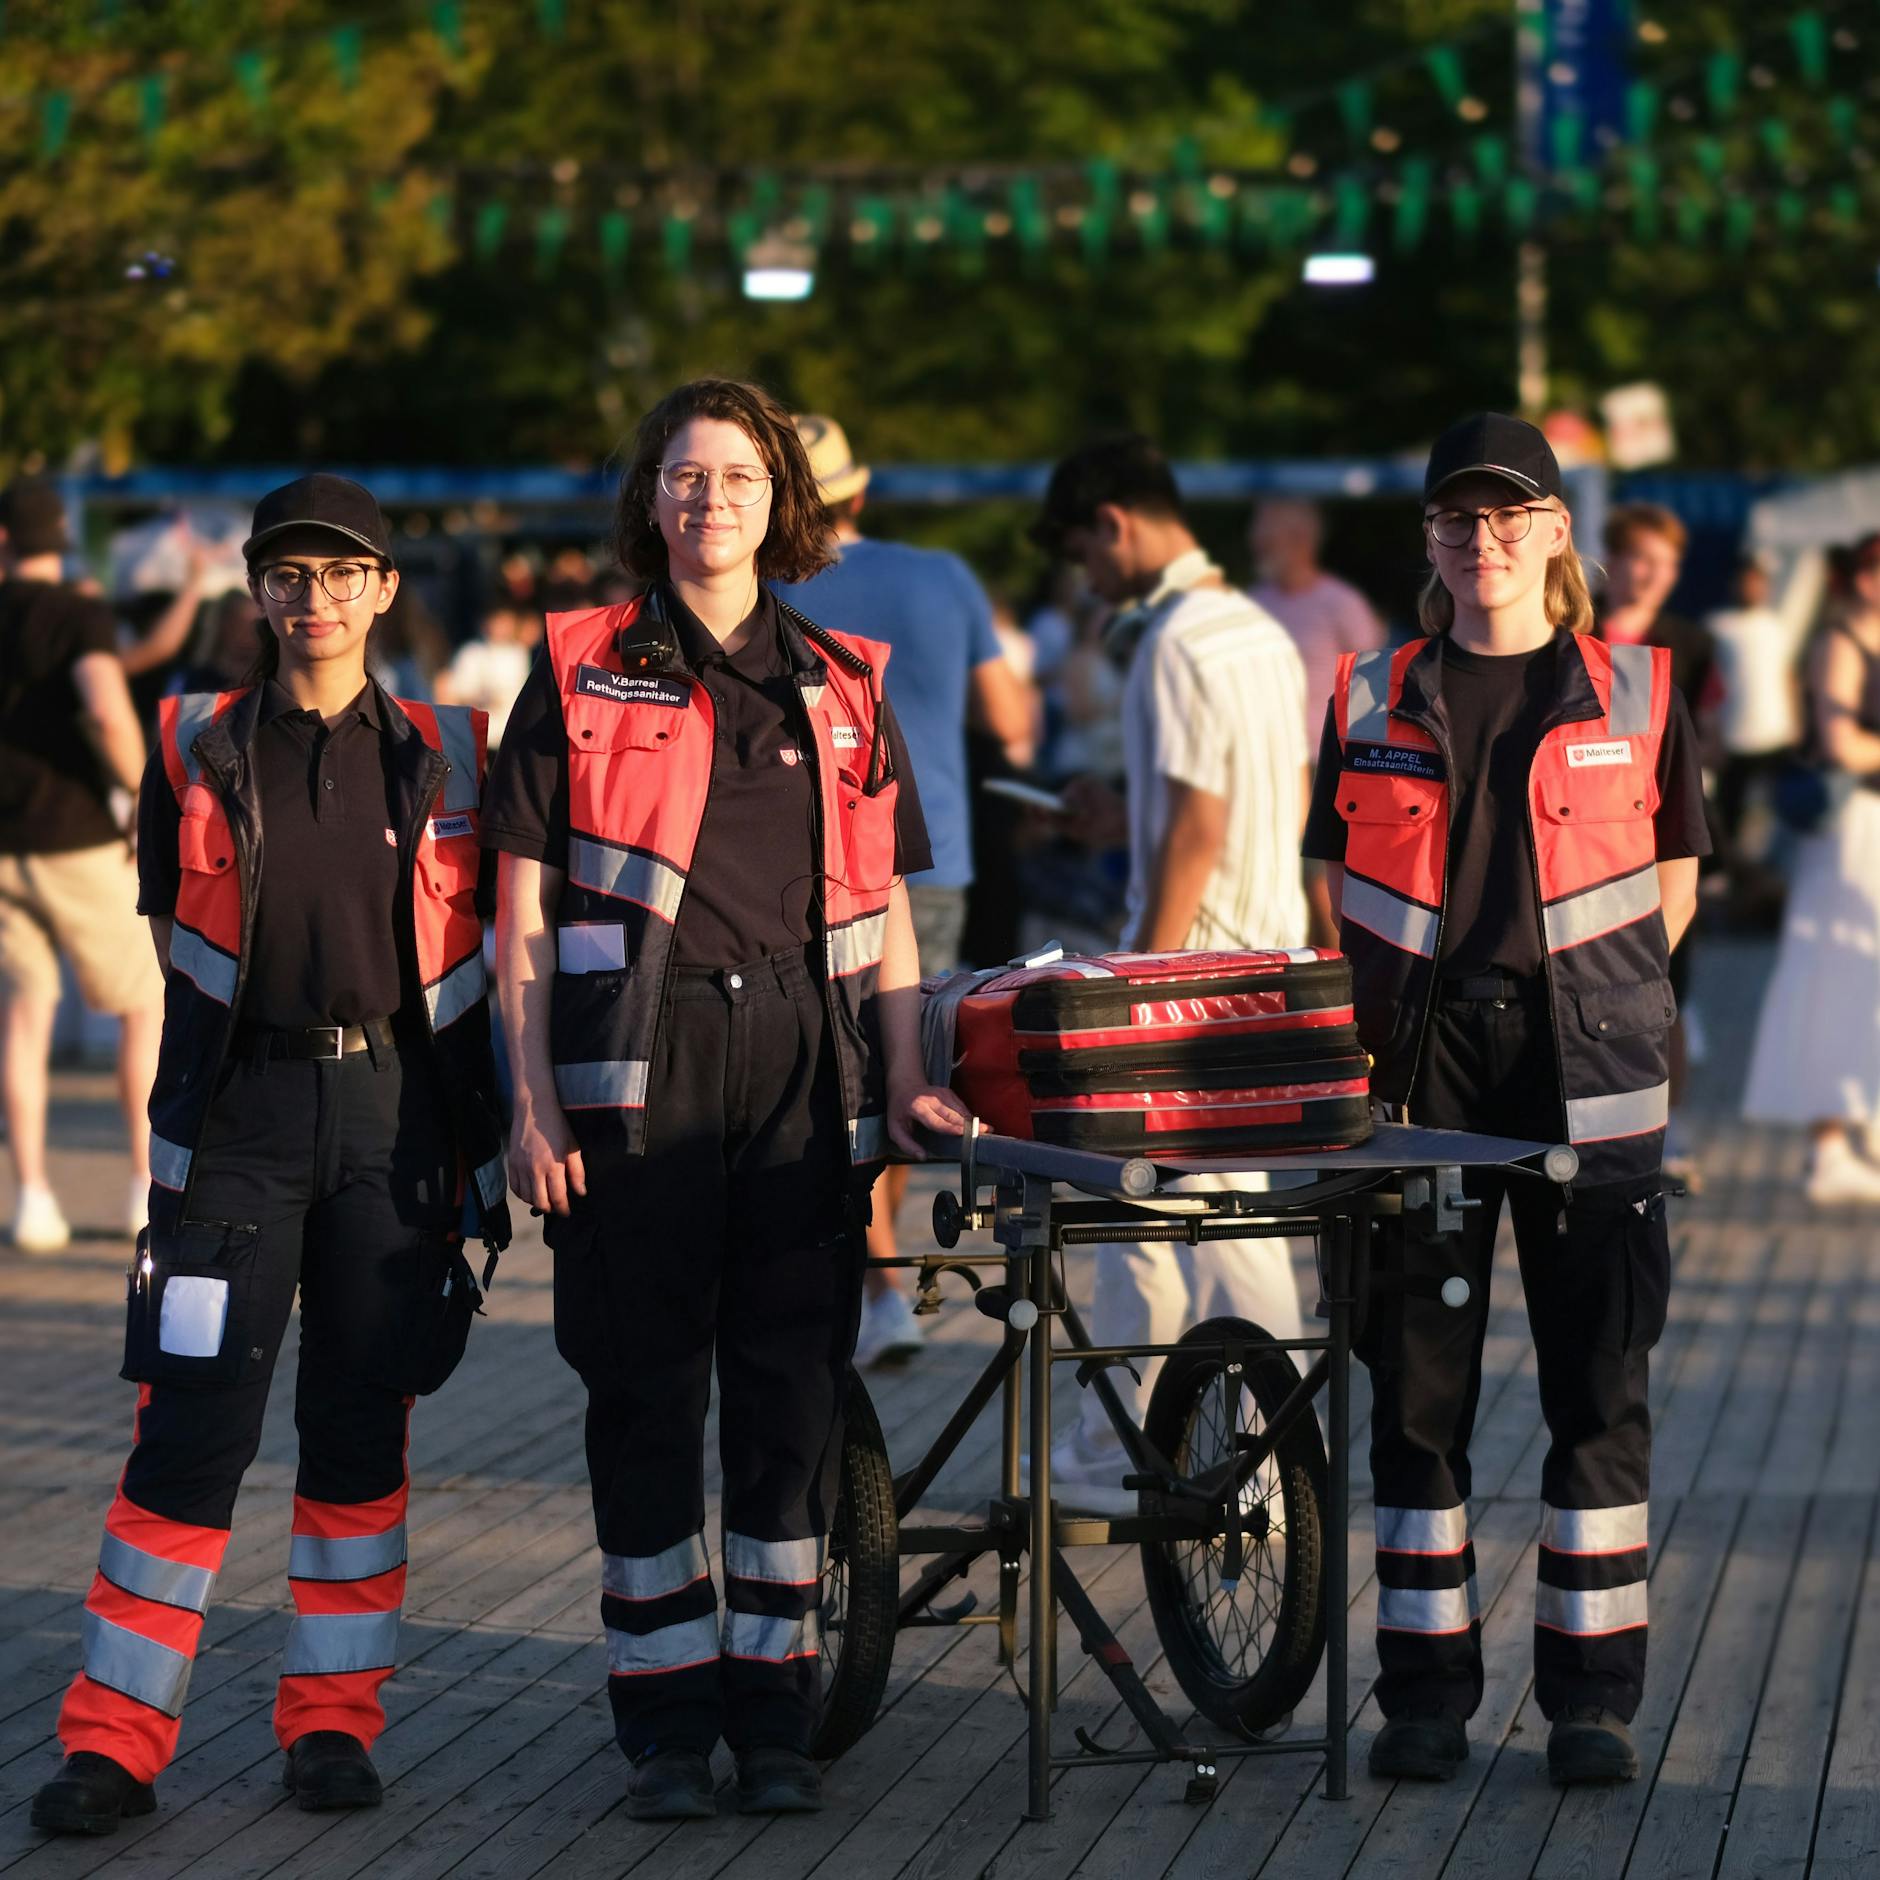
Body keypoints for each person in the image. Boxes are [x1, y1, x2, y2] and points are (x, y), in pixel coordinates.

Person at [484, 378, 965, 1822]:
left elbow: (884, 911)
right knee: (642, 1397)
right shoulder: (576, 667)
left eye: (740, 479)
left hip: (802, 1078)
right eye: (684, 477)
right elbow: (514, 910)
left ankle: (774, 1710)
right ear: (650, 500)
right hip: (636, 1074)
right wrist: (528, 1104)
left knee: (788, 1400)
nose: (710, 502)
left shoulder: (846, 678)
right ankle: (662, 1725)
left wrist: (910, 1084)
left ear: (783, 503)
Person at [30, 474, 510, 1837]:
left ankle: (333, 1728)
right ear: (256, 593)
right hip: (234, 1137)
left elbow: (490, 957)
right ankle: (112, 1745)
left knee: (360, 1435)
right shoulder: (189, 746)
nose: (315, 599)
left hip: (392, 1134)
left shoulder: (448, 752)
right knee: (186, 1437)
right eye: (288, 575)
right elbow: (172, 953)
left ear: (382, 590)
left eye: (340, 573)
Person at [1304, 413, 1707, 1788]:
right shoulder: (1365, 693)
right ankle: (1424, 1694)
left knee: (1599, 1379)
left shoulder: (1639, 694)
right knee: (1417, 1389)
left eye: (1508, 516)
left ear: (1553, 536)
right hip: (1419, 1070)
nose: (1483, 540)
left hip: (1583, 1063)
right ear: (1430, 540)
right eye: (1457, 519)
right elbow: (1329, 886)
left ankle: (1591, 1698)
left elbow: (1679, 879)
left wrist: (1621, 1005)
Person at [1032, 434, 1312, 1513]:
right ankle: (1267, 1462)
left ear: (1111, 524)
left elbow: (1197, 819)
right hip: (1265, 954)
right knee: (1237, 1223)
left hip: (1188, 971)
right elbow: (1269, 796)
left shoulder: (1176, 641)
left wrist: (1134, 977)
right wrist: (1121, 813)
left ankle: (1126, 1454)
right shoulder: (1257, 633)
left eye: (1079, 556)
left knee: (1132, 1217)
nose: (1084, 581)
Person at [776, 413, 1031, 1368]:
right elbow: (1011, 718)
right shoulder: (945, 577)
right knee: (902, 1064)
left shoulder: (756, 590)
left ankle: (871, 1282)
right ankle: (881, 1284)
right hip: (937, 858)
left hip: (812, 863)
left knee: (831, 1069)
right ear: (861, 492)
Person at [0, 475, 164, 1252]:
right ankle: (142, 1184)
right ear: (59, 541)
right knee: (141, 1005)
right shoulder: (76, 612)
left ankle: (32, 1197)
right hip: (76, 835)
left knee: (24, 1013)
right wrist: (142, 800)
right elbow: (104, 702)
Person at [1741, 533, 1880, 1202]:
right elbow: (1842, 744)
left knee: (1866, 976)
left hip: (1870, 828)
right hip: (1850, 829)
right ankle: (1826, 1147)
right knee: (1835, 976)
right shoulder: (1837, 644)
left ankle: (1862, 1125)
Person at [1595, 503, 1714, 1194]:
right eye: (1639, 558)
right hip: (1592, 836)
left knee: (1669, 990)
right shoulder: (1570, 636)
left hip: (1668, 834)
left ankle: (1668, 1130)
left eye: (1664, 564)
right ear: (1612, 560)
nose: (1649, 575)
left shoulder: (1691, 646)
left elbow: (1721, 737)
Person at [1249, 495, 1387, 748]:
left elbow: (1373, 688)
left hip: (1321, 765)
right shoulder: (1252, 603)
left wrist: (1360, 762)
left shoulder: (1342, 603)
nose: (1256, 545)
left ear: (1301, 539)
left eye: (1268, 541)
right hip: (1261, 758)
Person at [1705, 554, 1808, 859]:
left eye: (1758, 581)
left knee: (1778, 810)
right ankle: (1727, 871)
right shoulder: (1717, 626)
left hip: (1775, 737)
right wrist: (1711, 735)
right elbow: (1708, 685)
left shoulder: (1775, 626)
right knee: (1730, 811)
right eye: (1747, 579)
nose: (1753, 586)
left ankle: (1773, 867)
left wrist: (1797, 723)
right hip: (1734, 739)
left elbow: (1787, 676)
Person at [433, 604, 538, 748]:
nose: (500, 627)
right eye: (497, 621)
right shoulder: (470, 652)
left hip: (506, 735)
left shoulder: (518, 654)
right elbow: (455, 691)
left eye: (505, 622)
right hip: (474, 734)